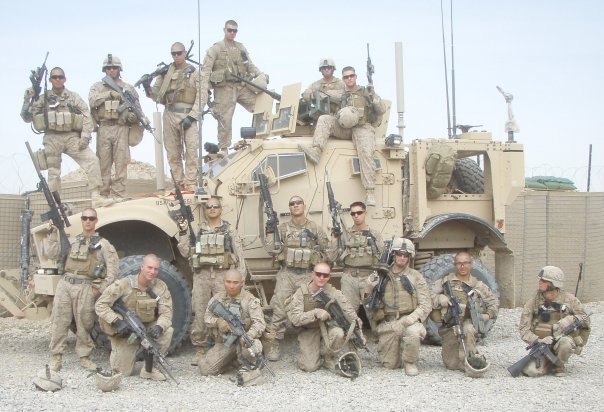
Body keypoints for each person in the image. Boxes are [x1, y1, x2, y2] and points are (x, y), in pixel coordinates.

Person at [21, 67, 112, 207]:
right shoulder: (42, 98)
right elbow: (27, 118)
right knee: (53, 172)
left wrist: (85, 136)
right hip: (52, 138)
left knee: (92, 161)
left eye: (60, 77)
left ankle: (96, 196)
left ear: (65, 79)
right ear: (50, 79)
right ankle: (56, 205)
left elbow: (86, 115)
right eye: (55, 77)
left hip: (71, 137)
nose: (58, 79)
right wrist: (28, 98)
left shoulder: (73, 96)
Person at [299, 66, 388, 206]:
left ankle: (370, 192)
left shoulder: (365, 92)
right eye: (346, 77)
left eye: (351, 76)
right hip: (344, 128)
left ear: (355, 76)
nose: (349, 79)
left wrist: (373, 95)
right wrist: (310, 92)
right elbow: (321, 92)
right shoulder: (340, 93)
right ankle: (316, 151)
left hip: (362, 127)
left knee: (366, 153)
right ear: (343, 79)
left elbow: (382, 110)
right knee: (324, 119)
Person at [262, 195, 336, 361]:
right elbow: (270, 249)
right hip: (287, 273)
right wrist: (269, 231)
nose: (295, 205)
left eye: (298, 203)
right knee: (279, 308)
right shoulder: (282, 229)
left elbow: (330, 253)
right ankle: (273, 341)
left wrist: (318, 260)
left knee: (310, 306)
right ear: (289, 208)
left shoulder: (315, 228)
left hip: (306, 275)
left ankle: (313, 340)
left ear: (304, 205)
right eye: (292, 203)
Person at [45, 207, 118, 372]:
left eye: (91, 218)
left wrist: (99, 290)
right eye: (85, 218)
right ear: (82, 220)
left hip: (86, 286)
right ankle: (56, 357)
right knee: (59, 321)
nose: (88, 221)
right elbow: (53, 255)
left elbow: (113, 271)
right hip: (66, 284)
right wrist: (52, 234)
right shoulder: (72, 241)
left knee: (84, 322)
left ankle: (84, 357)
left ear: (96, 221)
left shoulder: (103, 244)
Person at [176, 197, 246, 366]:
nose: (212, 209)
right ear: (205, 210)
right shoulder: (197, 231)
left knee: (226, 311)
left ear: (221, 209)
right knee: (200, 312)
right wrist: (184, 232)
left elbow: (239, 253)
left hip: (223, 276)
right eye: (209, 207)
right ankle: (200, 349)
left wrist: (241, 275)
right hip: (202, 276)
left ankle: (224, 348)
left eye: (216, 206)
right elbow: (185, 252)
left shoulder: (229, 230)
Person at [95, 254, 173, 381]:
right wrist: (116, 321)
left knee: (168, 331)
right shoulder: (124, 284)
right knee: (122, 372)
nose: (152, 272)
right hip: (126, 333)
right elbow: (100, 304)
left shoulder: (160, 287)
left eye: (156, 269)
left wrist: (159, 326)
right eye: (149, 267)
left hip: (146, 328)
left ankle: (149, 369)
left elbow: (167, 313)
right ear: (141, 267)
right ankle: (122, 349)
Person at [199, 20, 267, 156]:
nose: (232, 33)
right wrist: (205, 90)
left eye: (234, 31)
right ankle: (223, 148)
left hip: (241, 86)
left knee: (261, 106)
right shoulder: (215, 49)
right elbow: (206, 71)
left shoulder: (240, 48)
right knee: (225, 119)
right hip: (224, 88)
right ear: (224, 30)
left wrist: (261, 75)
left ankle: (261, 138)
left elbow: (250, 65)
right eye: (229, 30)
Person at [364, 238, 431, 375]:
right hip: (389, 322)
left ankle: (409, 362)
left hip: (408, 319)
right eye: (399, 254)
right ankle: (397, 349)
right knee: (390, 365)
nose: (402, 258)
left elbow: (426, 304)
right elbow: (367, 304)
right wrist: (369, 288)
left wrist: (411, 318)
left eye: (405, 255)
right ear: (393, 255)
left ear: (409, 257)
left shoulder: (415, 276)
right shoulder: (381, 275)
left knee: (413, 332)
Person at [431, 251, 499, 376]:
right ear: (455, 265)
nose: (463, 266)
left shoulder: (478, 285)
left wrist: (486, 316)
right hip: (451, 323)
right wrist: (440, 299)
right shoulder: (446, 281)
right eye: (459, 263)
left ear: (471, 264)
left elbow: (494, 303)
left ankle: (471, 358)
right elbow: (428, 295)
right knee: (451, 364)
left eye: (466, 263)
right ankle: (464, 357)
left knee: (468, 330)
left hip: (469, 321)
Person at [286, 262, 363, 372]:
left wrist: (359, 333)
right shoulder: (302, 293)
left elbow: (350, 313)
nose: (321, 278)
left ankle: (328, 357)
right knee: (310, 367)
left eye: (325, 275)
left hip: (328, 328)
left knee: (339, 333)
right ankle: (314, 353)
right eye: (318, 274)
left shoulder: (334, 292)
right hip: (309, 330)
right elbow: (295, 319)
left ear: (329, 277)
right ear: (312, 274)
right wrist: (315, 313)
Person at [145, 42, 201, 191]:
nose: (176, 56)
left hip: (188, 113)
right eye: (173, 54)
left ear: (184, 53)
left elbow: (202, 97)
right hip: (169, 113)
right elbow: (157, 96)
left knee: (191, 149)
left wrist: (192, 116)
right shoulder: (165, 74)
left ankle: (191, 182)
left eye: (179, 53)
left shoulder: (194, 72)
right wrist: (147, 86)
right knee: (172, 151)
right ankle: (179, 182)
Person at [89, 54, 145, 201]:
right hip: (104, 127)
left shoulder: (128, 88)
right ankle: (103, 195)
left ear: (119, 69)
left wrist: (133, 118)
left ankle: (119, 195)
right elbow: (92, 101)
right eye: (108, 68)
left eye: (114, 68)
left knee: (121, 163)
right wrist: (109, 94)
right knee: (103, 164)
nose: (111, 71)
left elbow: (138, 110)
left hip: (121, 128)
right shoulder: (97, 87)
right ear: (104, 70)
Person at [518, 266, 590, 377]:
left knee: (565, 343)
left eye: (543, 280)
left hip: (562, 341)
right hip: (543, 345)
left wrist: (571, 319)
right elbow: (523, 329)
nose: (539, 282)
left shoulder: (570, 300)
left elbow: (586, 319)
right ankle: (548, 361)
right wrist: (539, 340)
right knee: (530, 371)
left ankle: (559, 365)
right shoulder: (533, 303)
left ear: (553, 284)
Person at [198, 269, 265, 384]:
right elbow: (207, 318)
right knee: (205, 369)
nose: (231, 286)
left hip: (244, 341)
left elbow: (259, 323)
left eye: (235, 282)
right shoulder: (217, 299)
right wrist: (218, 321)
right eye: (228, 282)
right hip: (225, 342)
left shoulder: (249, 300)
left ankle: (244, 362)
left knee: (253, 349)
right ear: (223, 282)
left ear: (242, 283)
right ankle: (231, 362)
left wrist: (249, 335)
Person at [338, 201, 383, 315]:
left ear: (365, 213)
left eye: (359, 212)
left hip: (368, 277)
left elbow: (382, 256)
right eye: (353, 214)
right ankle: (352, 333)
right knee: (347, 313)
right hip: (349, 277)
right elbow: (334, 257)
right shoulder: (345, 235)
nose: (356, 216)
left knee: (373, 313)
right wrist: (335, 239)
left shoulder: (375, 234)